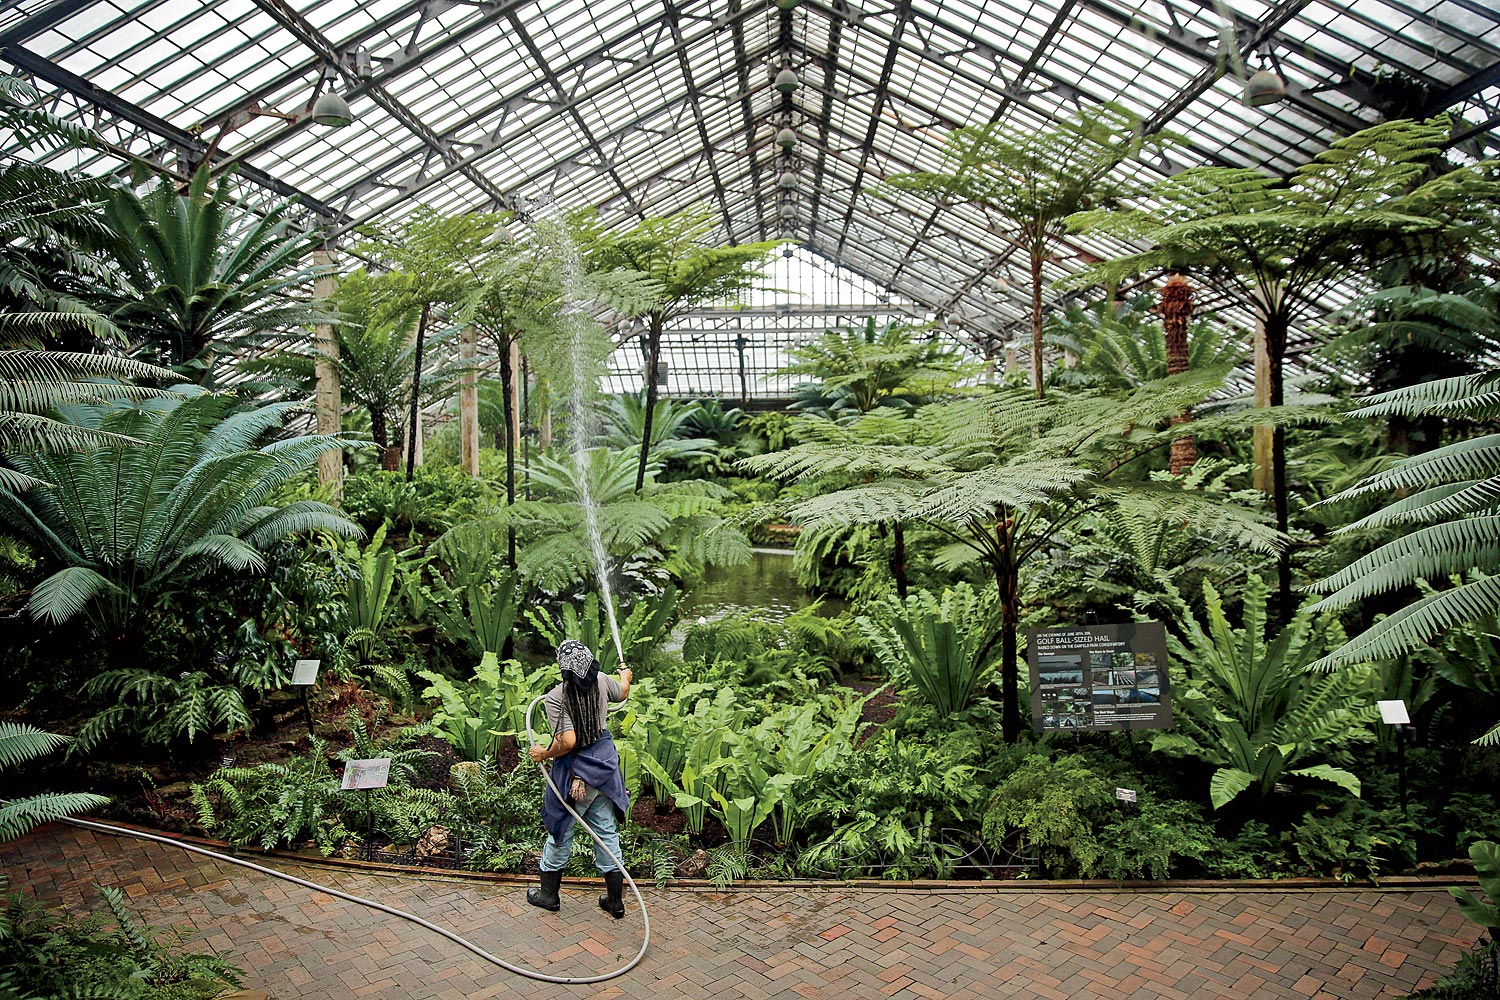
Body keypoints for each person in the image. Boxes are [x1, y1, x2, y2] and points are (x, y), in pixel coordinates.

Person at [526, 638, 633, 918]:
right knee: (606, 832)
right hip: (604, 770)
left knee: (561, 830)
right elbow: (622, 693)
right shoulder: (602, 679)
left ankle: (549, 895)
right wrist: (625, 677)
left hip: (576, 777)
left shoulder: (556, 697)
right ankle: (615, 902)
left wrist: (544, 754)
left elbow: (568, 741)